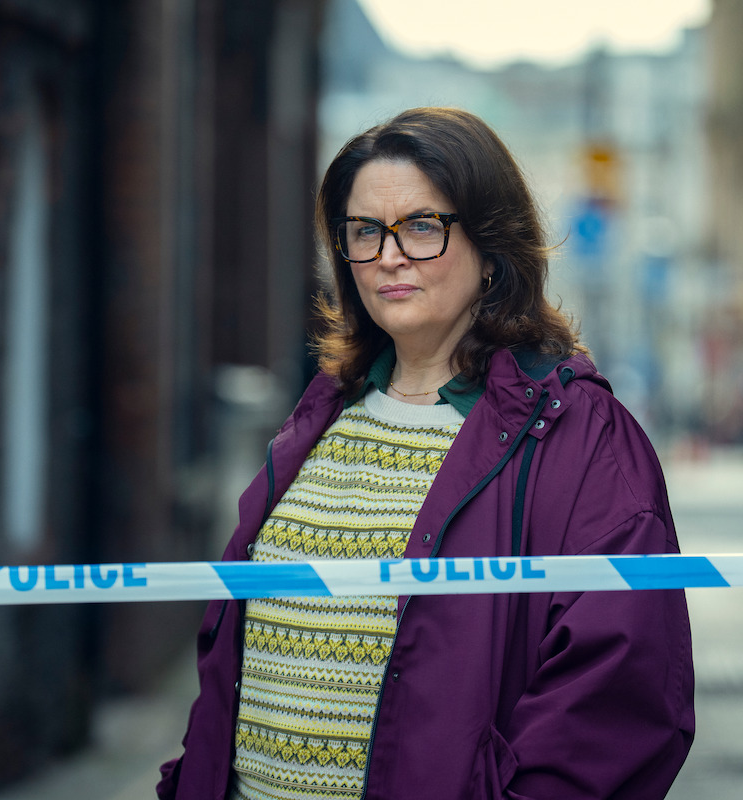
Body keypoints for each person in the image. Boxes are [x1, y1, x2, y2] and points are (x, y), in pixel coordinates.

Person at [157, 107, 693, 800]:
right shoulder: (322, 414)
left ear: (491, 244)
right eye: (363, 232)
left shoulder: (580, 435)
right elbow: (228, 656)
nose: (387, 256)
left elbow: (622, 700)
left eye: (420, 226)